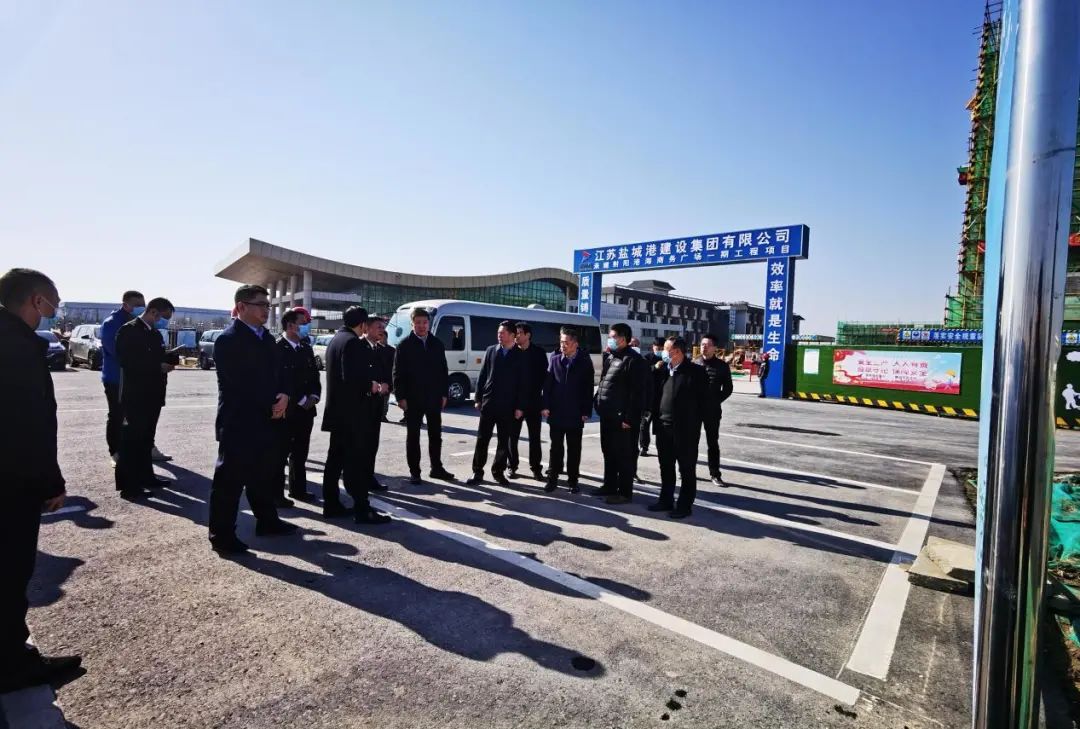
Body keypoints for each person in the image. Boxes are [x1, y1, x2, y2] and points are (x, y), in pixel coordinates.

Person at [0, 268, 82, 692]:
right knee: (11, 571)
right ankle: (12, 663)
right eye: (54, 302)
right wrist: (51, 482)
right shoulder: (17, 346)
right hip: (12, 482)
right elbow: (29, 424)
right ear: (37, 301)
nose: (55, 310)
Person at [208, 284, 297, 555]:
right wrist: (272, 403)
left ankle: (267, 521)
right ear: (242, 307)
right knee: (230, 482)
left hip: (268, 419)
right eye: (261, 305)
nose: (266, 310)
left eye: (267, 305)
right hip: (240, 421)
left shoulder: (267, 338)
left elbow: (281, 373)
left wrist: (285, 396)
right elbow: (238, 384)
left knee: (263, 476)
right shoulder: (228, 340)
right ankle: (222, 536)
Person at [321, 307, 392, 524]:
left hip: (338, 412)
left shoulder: (336, 340)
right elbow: (352, 378)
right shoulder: (352, 342)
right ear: (362, 324)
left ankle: (331, 504)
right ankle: (363, 509)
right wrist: (372, 385)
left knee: (335, 461)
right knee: (355, 463)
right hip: (353, 414)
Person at [113, 297, 181, 500]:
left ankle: (146, 477)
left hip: (153, 394)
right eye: (163, 318)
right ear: (153, 312)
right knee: (131, 441)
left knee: (146, 440)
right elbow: (127, 361)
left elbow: (155, 355)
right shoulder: (129, 331)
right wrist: (157, 366)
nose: (164, 322)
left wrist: (170, 358)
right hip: (135, 395)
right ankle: (129, 486)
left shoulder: (154, 333)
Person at [393, 307, 455, 485]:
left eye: (425, 322)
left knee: (436, 435)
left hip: (434, 398)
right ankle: (415, 472)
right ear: (412, 323)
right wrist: (400, 397)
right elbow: (397, 373)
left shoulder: (437, 344)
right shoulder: (404, 345)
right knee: (413, 437)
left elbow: (443, 371)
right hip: (412, 399)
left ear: (429, 323)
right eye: (418, 322)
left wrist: (444, 394)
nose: (422, 326)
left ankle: (436, 468)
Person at [649, 336, 707, 518]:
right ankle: (665, 500)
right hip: (663, 427)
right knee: (666, 466)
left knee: (686, 469)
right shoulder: (662, 370)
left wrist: (695, 424)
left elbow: (705, 403)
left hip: (685, 430)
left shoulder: (696, 373)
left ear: (678, 352)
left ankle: (684, 505)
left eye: (666, 349)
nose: (663, 352)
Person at [467, 321, 525, 486]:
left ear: (512, 335)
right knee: (482, 439)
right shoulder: (491, 350)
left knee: (503, 441)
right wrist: (478, 398)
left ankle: (498, 472)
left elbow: (523, 384)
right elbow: (483, 375)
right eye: (498, 333)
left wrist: (520, 407)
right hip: (489, 403)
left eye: (503, 333)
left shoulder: (520, 355)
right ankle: (477, 471)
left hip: (508, 406)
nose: (499, 335)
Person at [273, 309, 321, 507]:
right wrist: (300, 399)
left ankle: (298, 489)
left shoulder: (305, 348)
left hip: (306, 411)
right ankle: (276, 495)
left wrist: (315, 396)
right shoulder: (277, 348)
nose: (306, 326)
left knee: (300, 452)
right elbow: (278, 381)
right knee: (280, 453)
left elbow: (314, 376)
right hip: (287, 410)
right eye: (303, 322)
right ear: (291, 325)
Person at [594, 323, 645, 504]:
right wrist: (597, 401)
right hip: (607, 415)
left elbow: (638, 393)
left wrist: (629, 418)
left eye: (613, 337)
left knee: (624, 455)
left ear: (623, 339)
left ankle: (624, 492)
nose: (610, 339)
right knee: (608, 452)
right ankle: (609, 485)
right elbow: (604, 382)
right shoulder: (611, 357)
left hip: (622, 418)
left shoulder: (634, 361)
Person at [541, 327, 594, 493]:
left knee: (574, 449)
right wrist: (545, 406)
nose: (562, 345)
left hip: (575, 413)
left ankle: (573, 480)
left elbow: (588, 389)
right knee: (555, 448)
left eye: (566, 342)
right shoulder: (555, 359)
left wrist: (586, 411)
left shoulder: (585, 362)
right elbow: (547, 386)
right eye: (561, 342)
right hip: (556, 412)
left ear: (575, 344)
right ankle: (552, 479)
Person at [100, 290, 144, 466]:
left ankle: (130, 450)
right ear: (125, 304)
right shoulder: (112, 323)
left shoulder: (137, 323)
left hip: (132, 378)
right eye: (137, 305)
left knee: (132, 416)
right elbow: (115, 351)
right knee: (117, 415)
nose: (140, 309)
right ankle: (115, 452)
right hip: (116, 378)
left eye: (142, 306)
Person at [509, 321, 548, 480]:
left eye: (519, 333)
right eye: (515, 333)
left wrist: (543, 403)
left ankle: (536, 468)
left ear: (528, 335)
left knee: (535, 438)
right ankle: (512, 466)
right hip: (515, 403)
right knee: (512, 437)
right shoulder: (512, 352)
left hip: (533, 402)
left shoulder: (539, 353)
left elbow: (544, 379)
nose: (516, 336)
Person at [694, 333, 734, 486]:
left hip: (712, 410)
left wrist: (716, 401)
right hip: (695, 410)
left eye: (708, 345)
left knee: (712, 443)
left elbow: (728, 389)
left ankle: (715, 474)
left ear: (715, 348)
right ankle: (688, 471)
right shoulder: (695, 363)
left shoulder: (722, 366)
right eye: (702, 344)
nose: (704, 347)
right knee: (692, 442)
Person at [364, 316, 392, 492]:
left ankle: (369, 476)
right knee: (362, 444)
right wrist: (371, 385)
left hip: (377, 403)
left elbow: (387, 373)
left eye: (383, 327)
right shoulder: (359, 348)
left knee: (372, 443)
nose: (382, 330)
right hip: (362, 405)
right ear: (366, 328)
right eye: (378, 327)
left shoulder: (380, 349)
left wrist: (387, 385)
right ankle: (359, 478)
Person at [638, 338, 664, 456]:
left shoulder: (667, 359)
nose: (659, 350)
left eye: (661, 349)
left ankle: (661, 448)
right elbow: (642, 373)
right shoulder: (647, 358)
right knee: (644, 425)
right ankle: (644, 447)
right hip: (648, 399)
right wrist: (654, 367)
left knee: (660, 427)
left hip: (661, 399)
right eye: (657, 348)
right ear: (653, 347)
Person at [377, 326, 394, 424]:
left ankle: (383, 415)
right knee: (379, 398)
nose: (381, 338)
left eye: (383, 336)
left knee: (385, 398)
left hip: (388, 378)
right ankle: (380, 415)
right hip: (379, 378)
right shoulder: (375, 349)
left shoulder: (392, 350)